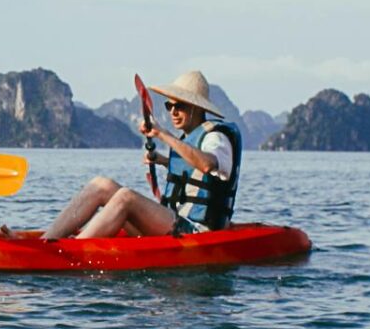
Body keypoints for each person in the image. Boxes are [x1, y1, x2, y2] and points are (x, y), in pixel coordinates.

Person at [38, 69, 241, 240]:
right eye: (169, 106)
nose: (173, 112)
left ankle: (71, 250)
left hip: (196, 233)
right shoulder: (190, 139)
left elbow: (207, 164)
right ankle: (48, 240)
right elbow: (191, 168)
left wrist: (163, 134)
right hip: (174, 224)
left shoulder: (216, 138)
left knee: (127, 197)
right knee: (102, 185)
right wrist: (161, 160)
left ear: (197, 108)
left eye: (180, 106)